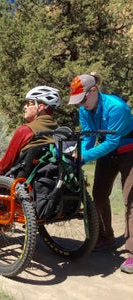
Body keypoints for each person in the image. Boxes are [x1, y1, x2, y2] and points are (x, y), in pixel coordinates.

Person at [68, 73, 133, 274]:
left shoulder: (117, 107)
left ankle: (132, 253)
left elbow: (112, 141)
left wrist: (85, 158)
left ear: (93, 90)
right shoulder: (84, 110)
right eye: (77, 101)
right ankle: (107, 237)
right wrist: (79, 155)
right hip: (108, 152)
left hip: (129, 150)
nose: (81, 104)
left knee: (130, 200)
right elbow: (88, 138)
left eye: (83, 99)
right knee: (98, 195)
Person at [0, 85, 61, 184]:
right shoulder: (58, 132)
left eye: (29, 103)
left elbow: (4, 166)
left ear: (40, 107)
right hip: (49, 182)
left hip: (21, 183)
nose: (25, 107)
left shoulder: (26, 130)